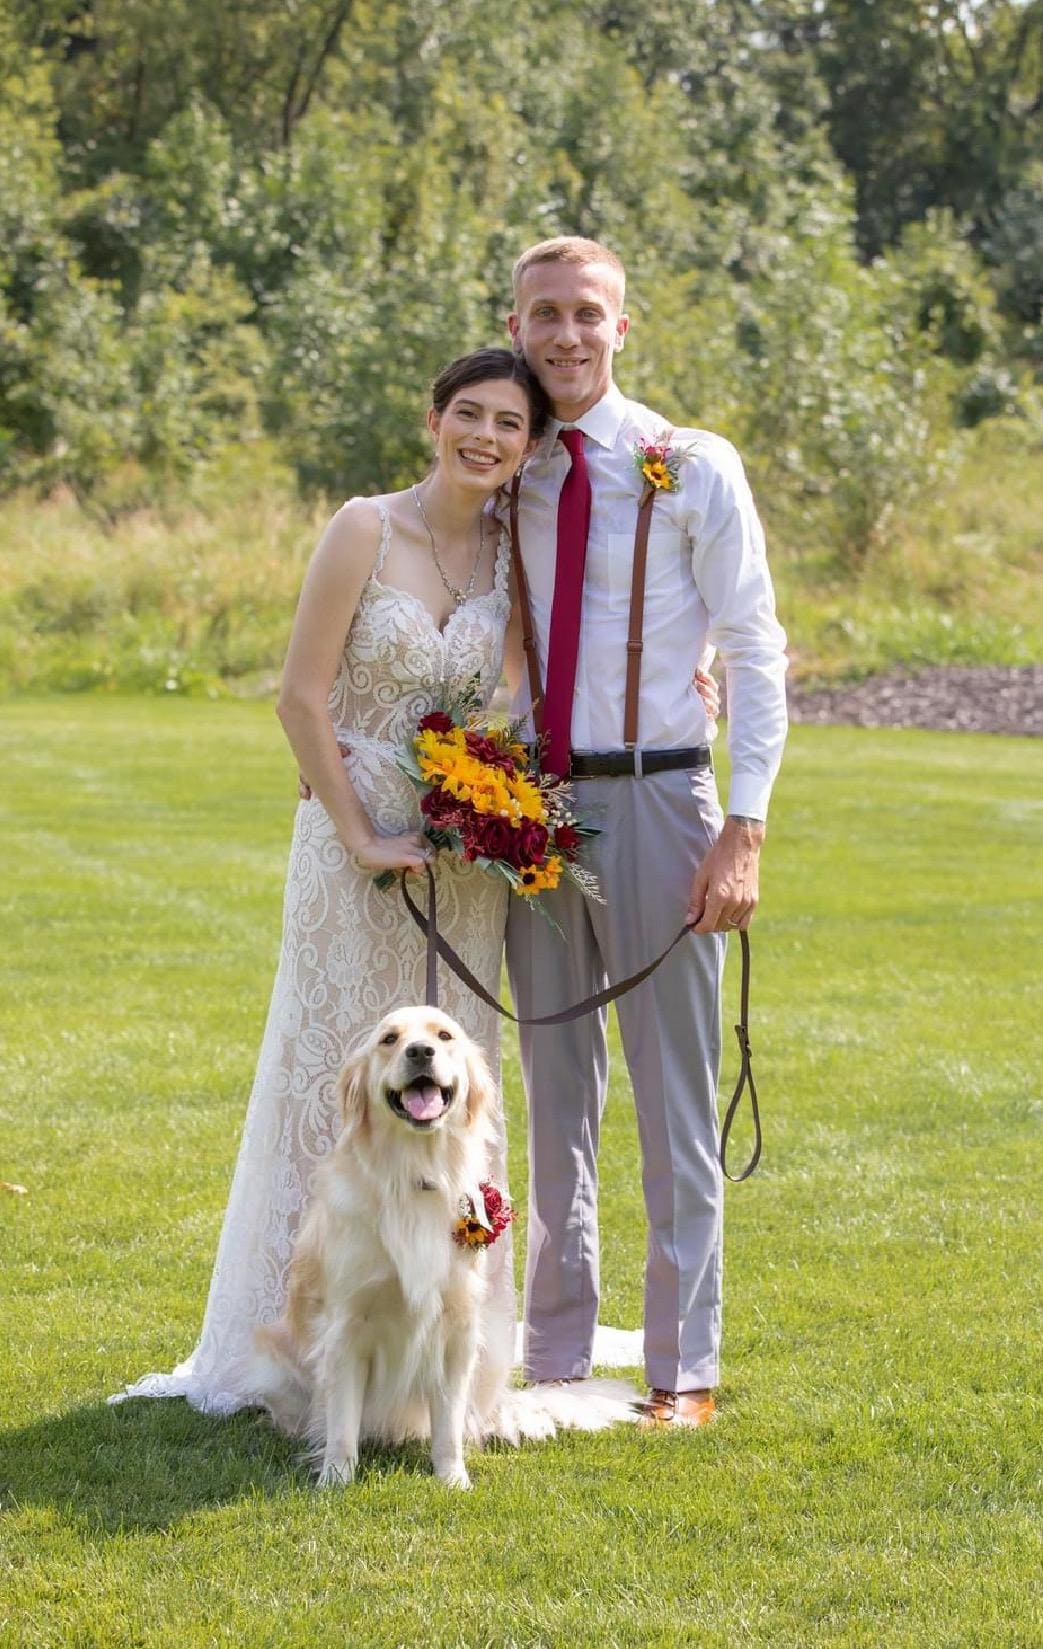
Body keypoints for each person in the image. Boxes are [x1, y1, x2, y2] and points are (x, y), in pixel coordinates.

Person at [110, 344, 721, 1417]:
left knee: (448, 1097)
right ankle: (297, 1337)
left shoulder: (508, 551)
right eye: (469, 415)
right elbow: (300, 698)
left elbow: (565, 663)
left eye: (509, 425)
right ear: (432, 418)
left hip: (461, 863)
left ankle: (450, 1343)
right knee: (329, 1078)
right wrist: (357, 833)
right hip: (353, 850)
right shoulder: (363, 526)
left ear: (528, 447)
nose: (486, 437)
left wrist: (688, 666)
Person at [503, 237, 788, 1427]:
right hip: (527, 811)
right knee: (551, 1084)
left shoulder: (688, 464)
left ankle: (684, 1370)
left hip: (663, 795)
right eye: (543, 316)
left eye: (586, 314)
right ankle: (554, 1353)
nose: (565, 334)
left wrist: (743, 827)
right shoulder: (501, 460)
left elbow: (756, 643)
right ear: (513, 326)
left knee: (674, 1093)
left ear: (623, 327)